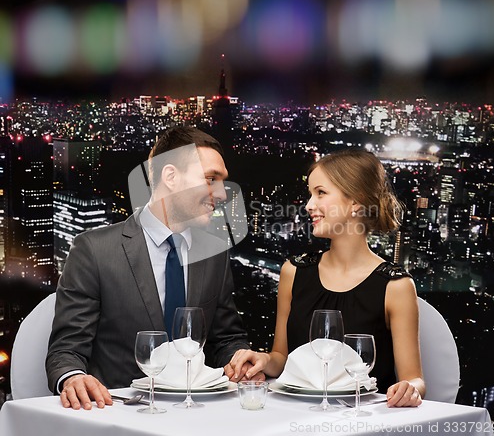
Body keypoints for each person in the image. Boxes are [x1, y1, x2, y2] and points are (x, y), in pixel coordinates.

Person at [46, 127, 262, 410]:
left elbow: (226, 338)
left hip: (198, 413)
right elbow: (67, 349)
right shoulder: (94, 250)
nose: (222, 193)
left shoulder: (214, 253)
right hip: (119, 415)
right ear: (170, 176)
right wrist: (73, 378)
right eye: (211, 179)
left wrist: (241, 361)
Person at [228, 148, 426, 408]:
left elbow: (415, 379)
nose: (309, 205)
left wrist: (410, 389)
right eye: (310, 194)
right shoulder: (294, 272)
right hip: (294, 416)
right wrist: (263, 359)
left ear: (356, 201)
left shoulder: (396, 286)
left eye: (320, 193)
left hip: (364, 422)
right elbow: (281, 357)